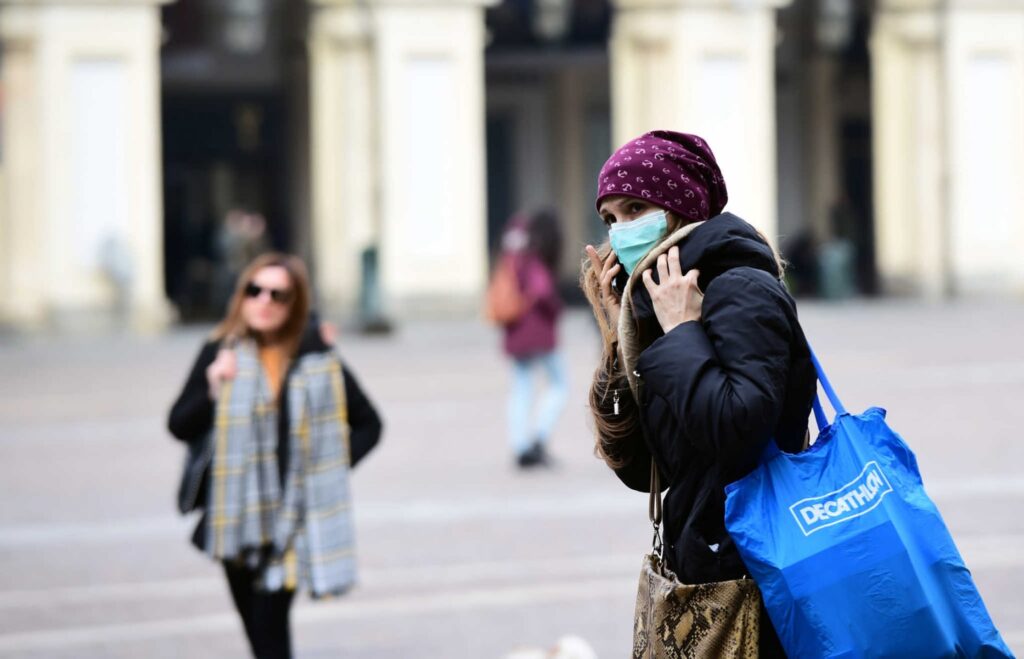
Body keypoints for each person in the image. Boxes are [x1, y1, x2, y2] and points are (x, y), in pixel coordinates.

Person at [581, 130, 816, 657]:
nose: (621, 230)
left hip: (752, 565)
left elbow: (739, 429)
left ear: (679, 208)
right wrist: (619, 331)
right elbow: (641, 470)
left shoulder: (740, 286)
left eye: (636, 207)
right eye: (610, 217)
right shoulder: (661, 300)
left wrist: (683, 333)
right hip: (701, 560)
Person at [168, 253, 382, 659]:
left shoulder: (316, 359)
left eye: (277, 295)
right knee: (258, 636)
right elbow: (178, 424)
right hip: (232, 522)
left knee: (270, 638)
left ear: (294, 304)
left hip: (290, 526)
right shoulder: (220, 351)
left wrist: (327, 472)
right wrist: (214, 388)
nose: (263, 301)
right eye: (255, 290)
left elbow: (371, 424)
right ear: (242, 296)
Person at [498, 210, 568, 468]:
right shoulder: (536, 257)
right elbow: (543, 292)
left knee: (521, 387)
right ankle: (539, 436)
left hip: (514, 330)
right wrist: (556, 308)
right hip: (538, 332)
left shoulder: (512, 254)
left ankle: (520, 445)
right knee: (560, 384)